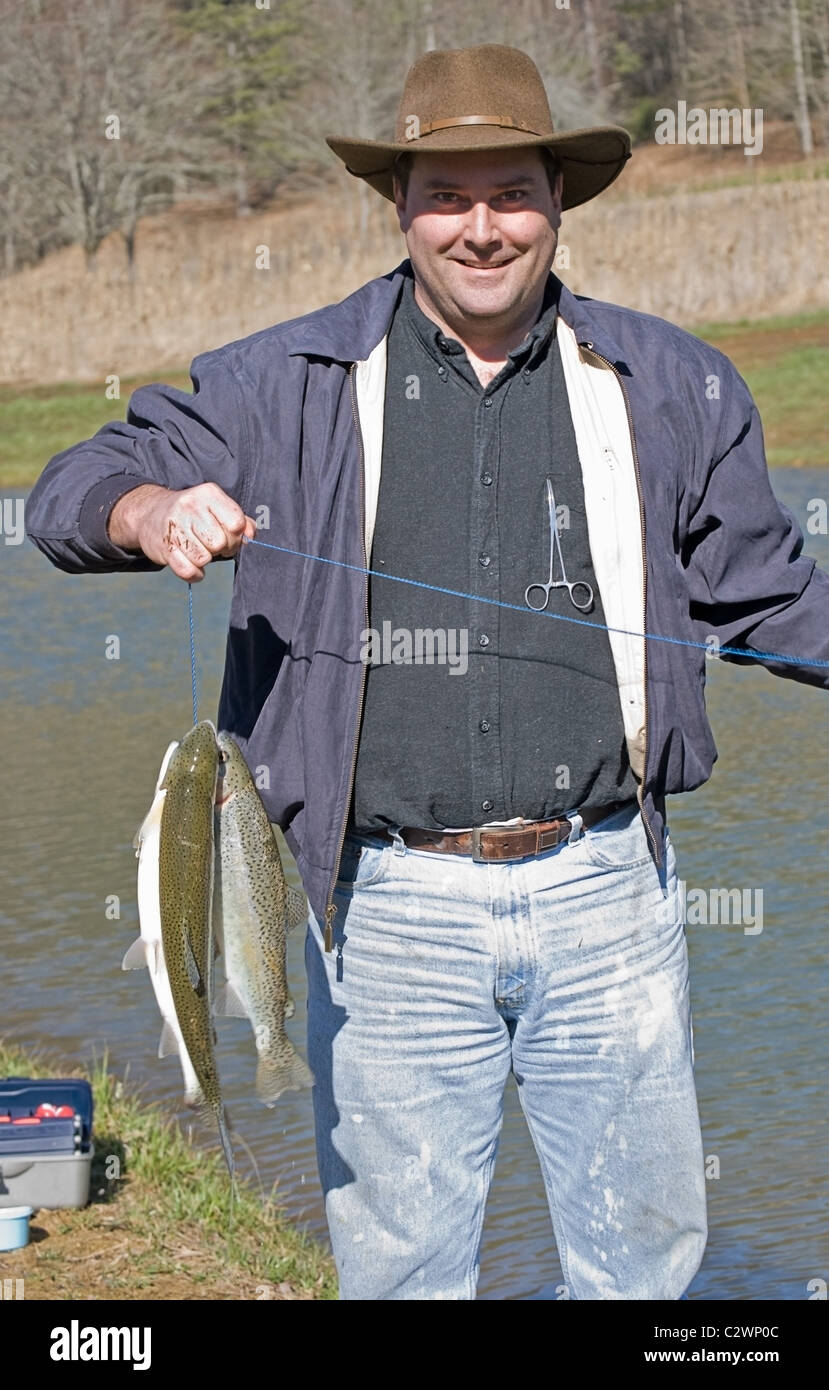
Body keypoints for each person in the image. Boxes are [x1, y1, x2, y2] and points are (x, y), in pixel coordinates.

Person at [25, 44, 829, 1301]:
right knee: (403, 1279)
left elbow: (772, 593)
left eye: (511, 192)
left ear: (558, 204)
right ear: (398, 206)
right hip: (386, 911)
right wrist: (152, 509)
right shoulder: (277, 381)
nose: (482, 228)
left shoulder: (669, 383)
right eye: (447, 195)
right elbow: (68, 493)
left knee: (642, 1272)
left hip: (609, 890)